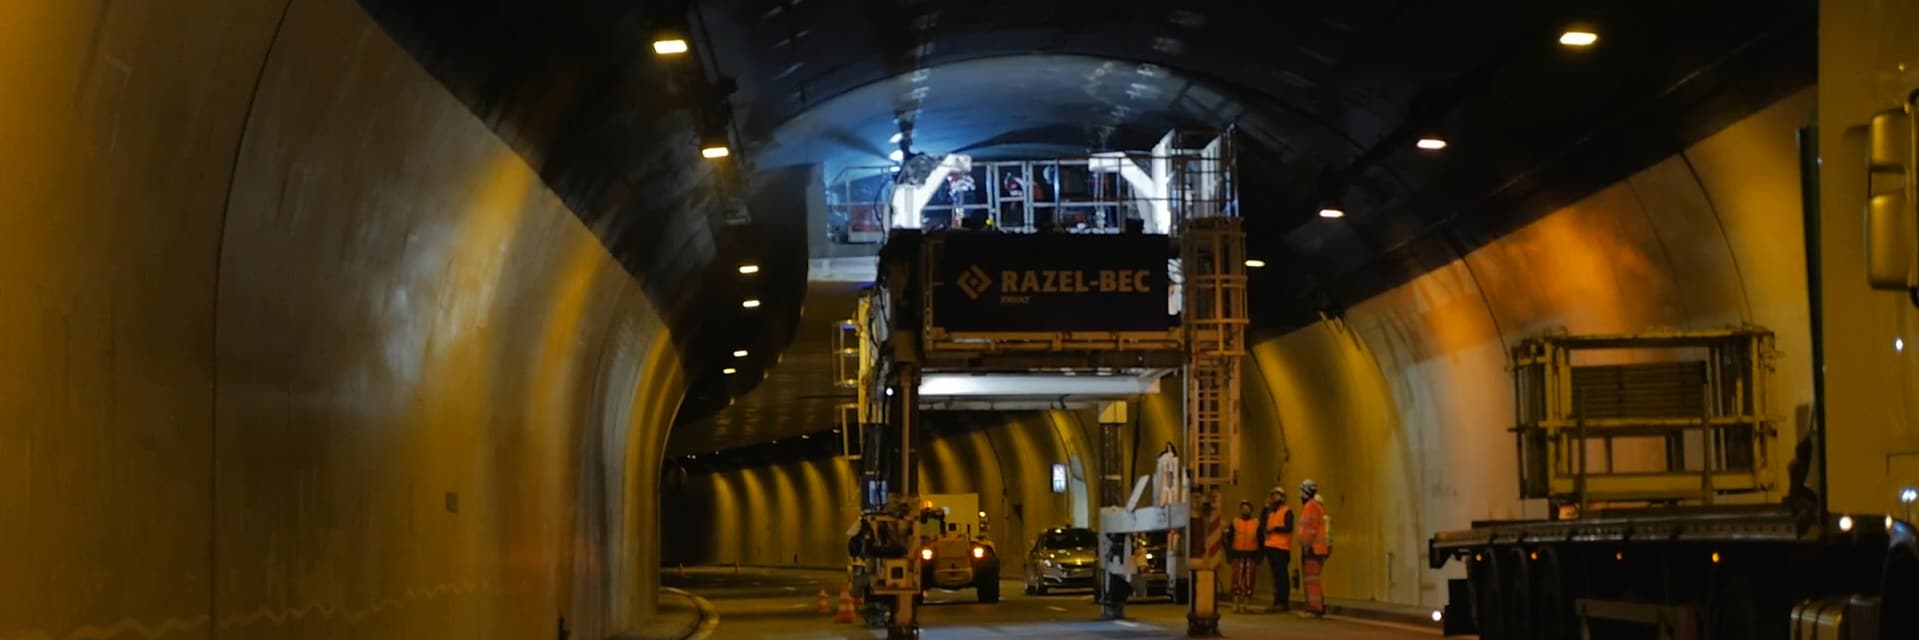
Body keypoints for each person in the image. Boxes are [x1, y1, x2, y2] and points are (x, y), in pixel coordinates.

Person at [1295, 479, 1333, 618]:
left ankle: (1314, 608)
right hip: (1316, 548)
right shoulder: (1315, 506)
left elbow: (1310, 529)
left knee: (1312, 580)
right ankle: (1315, 606)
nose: (1300, 495)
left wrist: (1306, 545)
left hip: (1312, 548)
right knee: (1313, 579)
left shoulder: (1310, 506)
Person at [1257, 486, 1295, 612]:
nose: (1274, 498)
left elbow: (1288, 527)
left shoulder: (1287, 511)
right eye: (1273, 495)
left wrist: (1275, 529)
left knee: (1282, 576)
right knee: (1275, 577)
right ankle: (1277, 601)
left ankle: (1283, 602)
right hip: (1271, 547)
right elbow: (1262, 524)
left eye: (1277, 495)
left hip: (1282, 548)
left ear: (1282, 497)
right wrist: (1265, 508)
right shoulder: (1271, 512)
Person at [1223, 500, 1263, 613]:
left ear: (1251, 510)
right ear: (1241, 510)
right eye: (1243, 508)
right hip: (1237, 554)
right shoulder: (1235, 522)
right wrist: (1229, 555)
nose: (1245, 510)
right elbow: (1229, 539)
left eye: (1247, 508)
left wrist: (1260, 556)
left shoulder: (1256, 523)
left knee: (1249, 580)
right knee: (1236, 578)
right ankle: (1235, 603)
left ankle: (1246, 604)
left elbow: (1261, 540)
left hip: (1251, 555)